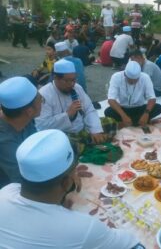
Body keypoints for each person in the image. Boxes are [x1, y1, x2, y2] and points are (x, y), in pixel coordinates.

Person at [0, 129, 142, 248]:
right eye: (74, 171)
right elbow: (132, 243)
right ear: (67, 182)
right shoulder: (83, 228)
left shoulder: (5, 193)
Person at [35, 60, 109, 149]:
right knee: (69, 146)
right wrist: (67, 115)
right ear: (55, 77)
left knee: (110, 122)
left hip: (82, 127)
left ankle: (89, 142)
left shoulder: (77, 88)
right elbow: (42, 126)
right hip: (61, 134)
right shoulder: (44, 94)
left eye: (74, 80)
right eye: (67, 81)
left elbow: (89, 109)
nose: (72, 84)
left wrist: (95, 130)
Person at [0, 76, 41, 187]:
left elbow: (37, 149)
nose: (43, 100)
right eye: (40, 99)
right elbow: (22, 180)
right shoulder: (4, 140)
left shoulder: (23, 118)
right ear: (29, 111)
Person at [105, 61, 161, 127]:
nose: (133, 82)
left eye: (135, 80)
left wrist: (146, 113)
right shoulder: (116, 77)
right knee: (107, 112)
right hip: (123, 108)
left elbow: (152, 98)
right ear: (125, 75)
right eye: (130, 80)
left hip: (139, 109)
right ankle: (136, 122)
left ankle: (129, 122)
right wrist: (123, 115)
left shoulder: (145, 77)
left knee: (158, 107)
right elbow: (111, 100)